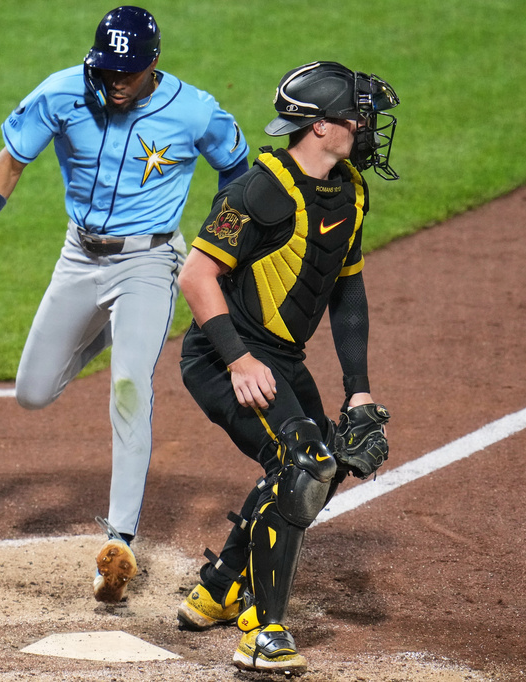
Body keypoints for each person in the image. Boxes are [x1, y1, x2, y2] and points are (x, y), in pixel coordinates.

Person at [0, 6, 249, 604]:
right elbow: (11, 160)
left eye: (127, 71)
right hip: (79, 257)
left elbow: (238, 172)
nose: (115, 80)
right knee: (32, 390)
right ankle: (116, 329)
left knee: (130, 383)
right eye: (107, 68)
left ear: (152, 63)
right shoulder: (62, 93)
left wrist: (219, 252)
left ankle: (120, 542)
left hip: (149, 261)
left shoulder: (194, 110)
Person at [173, 61, 401, 673]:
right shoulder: (258, 190)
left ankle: (220, 587)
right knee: (303, 466)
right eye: (357, 115)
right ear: (322, 127)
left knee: (328, 462)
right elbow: (195, 275)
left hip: (281, 358)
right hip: (223, 357)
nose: (367, 125)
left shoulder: (350, 188)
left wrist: (358, 390)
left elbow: (347, 293)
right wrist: (239, 359)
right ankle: (263, 632)